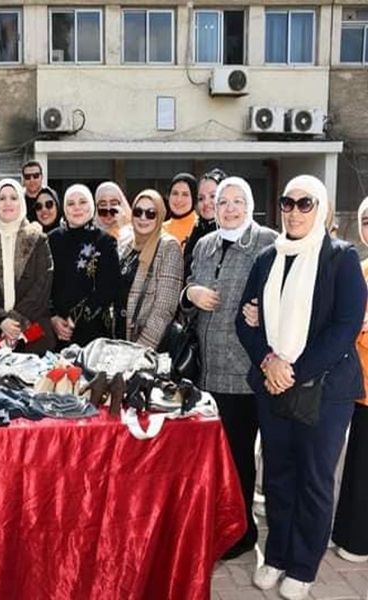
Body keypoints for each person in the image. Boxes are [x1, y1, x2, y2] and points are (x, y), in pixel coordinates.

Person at [237, 176, 365, 600]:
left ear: (322, 208)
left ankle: (303, 565)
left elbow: (345, 326)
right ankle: (276, 555)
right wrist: (269, 360)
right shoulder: (267, 259)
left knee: (312, 479)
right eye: (287, 203)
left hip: (324, 390)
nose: (293, 211)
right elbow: (245, 319)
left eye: (304, 203)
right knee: (278, 474)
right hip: (273, 383)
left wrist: (293, 368)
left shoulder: (340, 259)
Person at [182, 176, 277, 560]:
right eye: (224, 202)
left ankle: (242, 532)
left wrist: (264, 312)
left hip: (244, 371)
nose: (231, 209)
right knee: (212, 457)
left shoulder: (268, 242)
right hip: (206, 371)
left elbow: (286, 296)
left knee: (239, 457)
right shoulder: (205, 243)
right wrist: (192, 293)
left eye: (239, 201)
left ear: (250, 205)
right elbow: (188, 285)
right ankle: (220, 523)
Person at [0, 179, 55, 354]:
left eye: (13, 197)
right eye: (2, 198)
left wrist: (15, 321)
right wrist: (0, 321)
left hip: (33, 335)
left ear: (22, 201)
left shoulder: (38, 238)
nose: (8, 203)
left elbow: (43, 284)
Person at [332, 195, 368, 563]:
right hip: (356, 384)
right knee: (354, 464)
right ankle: (345, 531)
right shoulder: (360, 266)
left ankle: (358, 541)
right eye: (366, 220)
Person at [49, 184, 121, 346]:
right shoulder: (52, 239)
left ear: (91, 206)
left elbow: (110, 287)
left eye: (82, 202)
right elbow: (44, 283)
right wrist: (53, 318)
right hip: (57, 332)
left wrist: (76, 318)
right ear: (64, 209)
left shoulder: (105, 241)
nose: (77, 208)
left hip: (94, 332)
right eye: (71, 203)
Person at [118, 189, 183, 348]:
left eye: (151, 213)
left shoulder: (168, 247)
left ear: (160, 215)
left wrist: (140, 351)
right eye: (138, 212)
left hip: (144, 346)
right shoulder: (127, 245)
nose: (143, 218)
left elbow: (164, 309)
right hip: (119, 340)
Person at [184, 168, 226, 280]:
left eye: (213, 196)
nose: (206, 203)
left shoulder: (237, 232)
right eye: (201, 198)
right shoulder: (197, 231)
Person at [163, 172, 198, 252]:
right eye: (175, 193)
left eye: (185, 194)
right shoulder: (159, 230)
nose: (179, 199)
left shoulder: (201, 229)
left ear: (194, 198)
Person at [94, 181, 133, 250]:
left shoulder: (134, 232)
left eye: (114, 204)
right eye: (103, 205)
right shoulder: (91, 234)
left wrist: (123, 228)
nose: (108, 209)